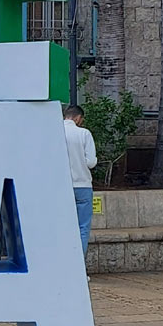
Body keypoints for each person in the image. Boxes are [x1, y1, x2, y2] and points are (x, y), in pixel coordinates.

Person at [63, 105, 97, 257]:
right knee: (82, 227)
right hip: (82, 185)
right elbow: (90, 162)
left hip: (62, 186)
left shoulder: (55, 132)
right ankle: (79, 269)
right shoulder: (84, 134)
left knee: (64, 227)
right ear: (78, 118)